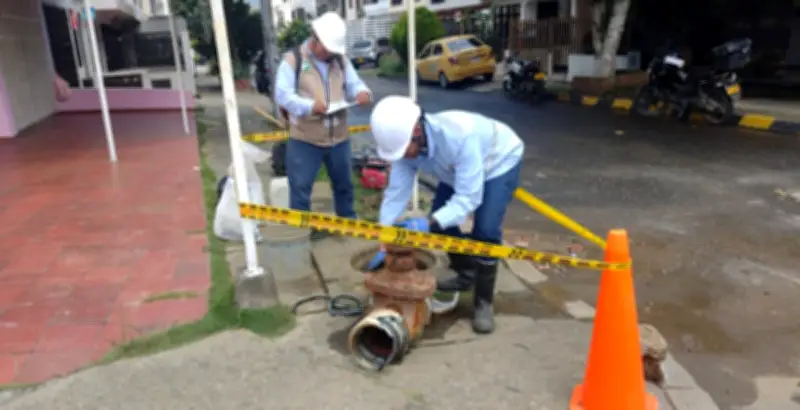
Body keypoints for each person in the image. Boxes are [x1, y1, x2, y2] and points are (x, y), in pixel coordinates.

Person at [368, 95, 524, 334]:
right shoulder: (406, 148)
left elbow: (468, 199)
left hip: (498, 161)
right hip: (454, 169)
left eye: (403, 150)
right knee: (441, 223)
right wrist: (384, 235)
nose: (402, 156)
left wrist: (427, 222)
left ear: (417, 130)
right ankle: (466, 272)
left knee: (486, 230)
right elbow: (396, 193)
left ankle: (483, 302)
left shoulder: (459, 137)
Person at [274, 12, 372, 238]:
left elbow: (355, 83)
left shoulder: (340, 60)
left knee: (344, 186)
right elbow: (283, 95)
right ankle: (301, 236)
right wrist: (309, 106)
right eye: (326, 48)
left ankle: (348, 227)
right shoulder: (293, 61)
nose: (329, 53)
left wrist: (362, 93)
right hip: (305, 139)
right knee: (300, 189)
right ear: (314, 38)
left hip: (338, 138)